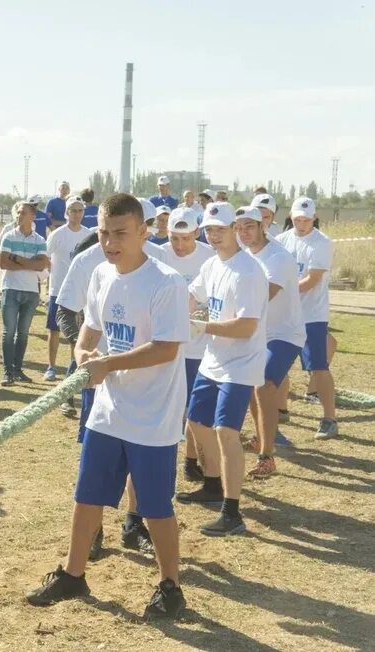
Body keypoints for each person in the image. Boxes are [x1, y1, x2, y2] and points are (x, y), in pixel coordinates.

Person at [25, 192, 189, 620]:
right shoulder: (100, 274)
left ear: (143, 231)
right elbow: (90, 330)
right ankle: (73, 574)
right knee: (88, 495)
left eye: (120, 233)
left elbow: (167, 348)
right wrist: (82, 355)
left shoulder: (166, 282)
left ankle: (170, 585)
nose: (110, 242)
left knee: (155, 506)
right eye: (103, 233)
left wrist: (109, 363)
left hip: (153, 417)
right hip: (107, 409)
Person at [176, 202, 268, 537]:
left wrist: (203, 327)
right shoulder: (213, 265)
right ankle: (213, 484)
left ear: (236, 230)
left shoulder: (249, 271)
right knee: (196, 421)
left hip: (240, 365)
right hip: (213, 360)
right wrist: (178, 313)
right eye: (210, 230)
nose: (214, 236)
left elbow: (245, 327)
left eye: (221, 229)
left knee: (226, 432)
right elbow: (191, 294)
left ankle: (233, 513)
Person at [235, 206, 305, 478]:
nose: (243, 233)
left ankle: (267, 456)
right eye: (239, 228)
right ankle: (262, 438)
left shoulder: (277, 257)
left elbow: (263, 298)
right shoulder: (243, 256)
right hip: (258, 334)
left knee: (263, 385)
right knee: (256, 385)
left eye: (249, 227)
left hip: (285, 334)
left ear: (262, 225)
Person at [159, 208, 215, 482]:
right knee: (167, 408)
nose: (179, 246)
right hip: (164, 347)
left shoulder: (210, 257)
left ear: (197, 232)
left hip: (198, 348)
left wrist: (199, 318)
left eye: (186, 239)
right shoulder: (157, 254)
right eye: (174, 239)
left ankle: (192, 460)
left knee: (196, 410)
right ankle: (163, 459)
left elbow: (215, 301)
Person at [276, 197, 338, 440]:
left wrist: (280, 292)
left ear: (314, 218)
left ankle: (330, 419)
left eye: (306, 220)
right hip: (284, 315)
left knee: (318, 368)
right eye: (297, 219)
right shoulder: (281, 241)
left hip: (312, 315)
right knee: (276, 365)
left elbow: (313, 280)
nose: (301, 224)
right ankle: (279, 411)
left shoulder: (322, 243)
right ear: (291, 217)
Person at [0, 199, 48, 385]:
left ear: (33, 216)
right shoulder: (9, 236)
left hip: (31, 292)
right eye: (18, 212)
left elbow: (42, 264)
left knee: (23, 333)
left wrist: (17, 259)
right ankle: (7, 371)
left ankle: (17, 370)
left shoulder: (40, 240)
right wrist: (30, 263)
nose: (19, 215)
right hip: (10, 289)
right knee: (8, 332)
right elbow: (3, 263)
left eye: (23, 213)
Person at [43, 197, 91, 382]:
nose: (77, 214)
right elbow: (45, 257)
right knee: (54, 329)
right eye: (73, 210)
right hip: (58, 290)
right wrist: (48, 281)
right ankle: (51, 367)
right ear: (66, 213)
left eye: (80, 210)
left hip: (81, 292)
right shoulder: (57, 234)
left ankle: (74, 366)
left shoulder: (89, 235)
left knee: (77, 331)